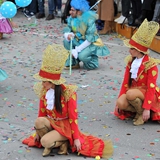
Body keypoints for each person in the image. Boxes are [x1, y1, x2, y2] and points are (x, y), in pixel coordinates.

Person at [22, 44, 113, 158]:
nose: (42, 84)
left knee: (45, 142)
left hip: (65, 126)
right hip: (51, 122)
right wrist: (37, 133)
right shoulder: (44, 91)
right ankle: (55, 140)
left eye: (45, 81)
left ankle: (62, 142)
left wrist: (76, 138)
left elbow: (73, 117)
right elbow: (42, 114)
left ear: (53, 82)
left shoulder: (68, 93)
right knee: (39, 122)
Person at [114, 19, 160, 126]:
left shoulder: (151, 65)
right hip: (134, 92)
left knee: (130, 93)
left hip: (148, 93)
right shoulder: (131, 61)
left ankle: (142, 113)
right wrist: (119, 98)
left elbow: (151, 88)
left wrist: (147, 108)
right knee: (120, 103)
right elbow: (125, 82)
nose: (129, 51)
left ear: (139, 50)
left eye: (132, 49)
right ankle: (137, 111)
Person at [63, 0, 110, 70]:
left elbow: (89, 40)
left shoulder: (89, 21)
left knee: (82, 56)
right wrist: (68, 35)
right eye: (70, 10)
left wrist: (77, 50)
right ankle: (74, 62)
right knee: (66, 42)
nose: (70, 12)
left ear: (79, 12)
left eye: (73, 10)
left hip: (90, 43)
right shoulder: (72, 18)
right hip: (79, 40)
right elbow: (68, 29)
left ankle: (92, 62)